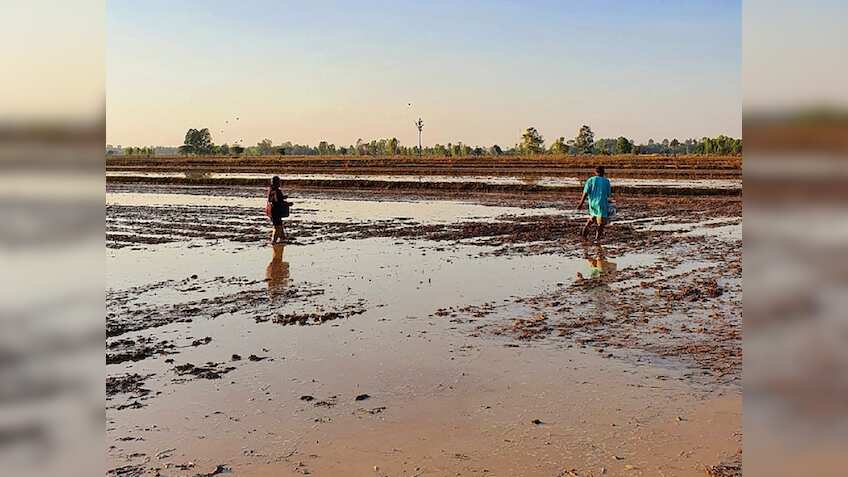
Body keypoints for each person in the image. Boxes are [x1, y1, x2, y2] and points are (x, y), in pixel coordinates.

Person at [577, 166, 612, 243]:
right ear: (603, 172)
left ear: (595, 172)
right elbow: (608, 194)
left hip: (592, 204)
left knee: (591, 219)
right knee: (601, 224)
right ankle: (597, 239)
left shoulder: (590, 180)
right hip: (602, 204)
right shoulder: (606, 181)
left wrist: (581, 203)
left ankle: (584, 237)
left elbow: (585, 193)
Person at [267, 176, 288, 244]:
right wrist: (287, 204)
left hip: (272, 211)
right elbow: (277, 202)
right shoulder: (277, 191)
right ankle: (274, 241)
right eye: (279, 182)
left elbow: (273, 199)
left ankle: (282, 238)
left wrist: (283, 197)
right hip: (276, 211)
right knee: (277, 227)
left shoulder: (271, 190)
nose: (279, 183)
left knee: (279, 225)